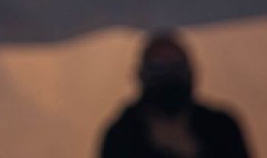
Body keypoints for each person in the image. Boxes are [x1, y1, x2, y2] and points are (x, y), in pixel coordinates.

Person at [99, 31, 251, 158]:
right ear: (142, 74)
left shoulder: (222, 128)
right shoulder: (122, 136)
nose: (169, 75)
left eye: (176, 66)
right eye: (158, 67)